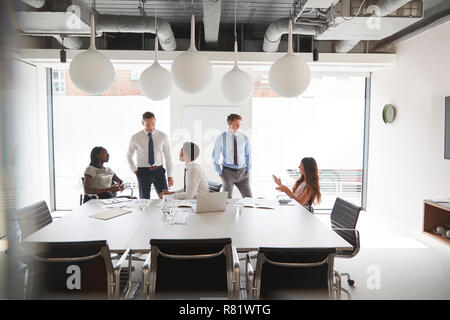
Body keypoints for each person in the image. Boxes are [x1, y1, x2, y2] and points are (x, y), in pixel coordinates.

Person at [127, 111, 173, 199]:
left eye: (153, 123)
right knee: (144, 199)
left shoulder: (163, 136)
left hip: (158, 170)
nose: (151, 127)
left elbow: (168, 157)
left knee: (165, 198)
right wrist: (134, 170)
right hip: (143, 172)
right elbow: (129, 155)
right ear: (142, 123)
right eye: (148, 124)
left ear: (155, 121)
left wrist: (170, 175)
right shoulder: (135, 137)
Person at [212, 113, 252, 199]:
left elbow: (248, 155)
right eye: (236, 124)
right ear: (229, 123)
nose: (238, 126)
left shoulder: (244, 137)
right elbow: (215, 157)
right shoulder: (221, 138)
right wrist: (220, 173)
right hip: (228, 173)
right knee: (226, 201)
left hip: (243, 173)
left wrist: (248, 170)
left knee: (249, 199)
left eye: (239, 124)